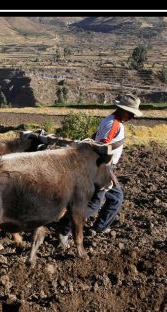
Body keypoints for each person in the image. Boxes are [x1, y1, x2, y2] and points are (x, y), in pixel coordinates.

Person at [60, 93, 143, 245]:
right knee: (95, 204)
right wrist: (108, 173)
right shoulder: (114, 125)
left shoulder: (111, 120)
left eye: (133, 114)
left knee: (115, 198)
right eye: (130, 113)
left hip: (102, 165)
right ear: (121, 109)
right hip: (102, 166)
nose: (132, 117)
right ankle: (64, 228)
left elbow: (95, 138)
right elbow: (102, 148)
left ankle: (99, 227)